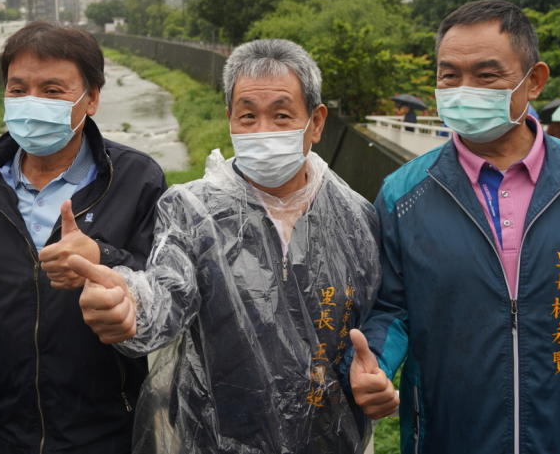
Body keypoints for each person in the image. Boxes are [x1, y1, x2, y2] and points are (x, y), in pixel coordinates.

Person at [350, 0, 560, 453]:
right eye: (449, 75)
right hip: (451, 436)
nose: (463, 88)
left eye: (486, 75)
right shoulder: (404, 193)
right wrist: (374, 363)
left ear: (533, 80)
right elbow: (392, 309)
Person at [69, 39, 381, 453]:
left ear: (317, 121)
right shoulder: (193, 209)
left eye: (282, 115)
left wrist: (380, 369)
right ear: (229, 119)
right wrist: (129, 304)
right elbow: (166, 293)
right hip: (215, 436)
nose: (263, 130)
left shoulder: (355, 217)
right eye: (248, 116)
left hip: (330, 437)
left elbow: (380, 315)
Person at [0, 22, 166, 454]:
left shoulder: (137, 179)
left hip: (107, 431)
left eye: (52, 90)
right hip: (5, 434)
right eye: (18, 90)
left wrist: (102, 257)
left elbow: (168, 293)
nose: (32, 103)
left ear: (91, 98)